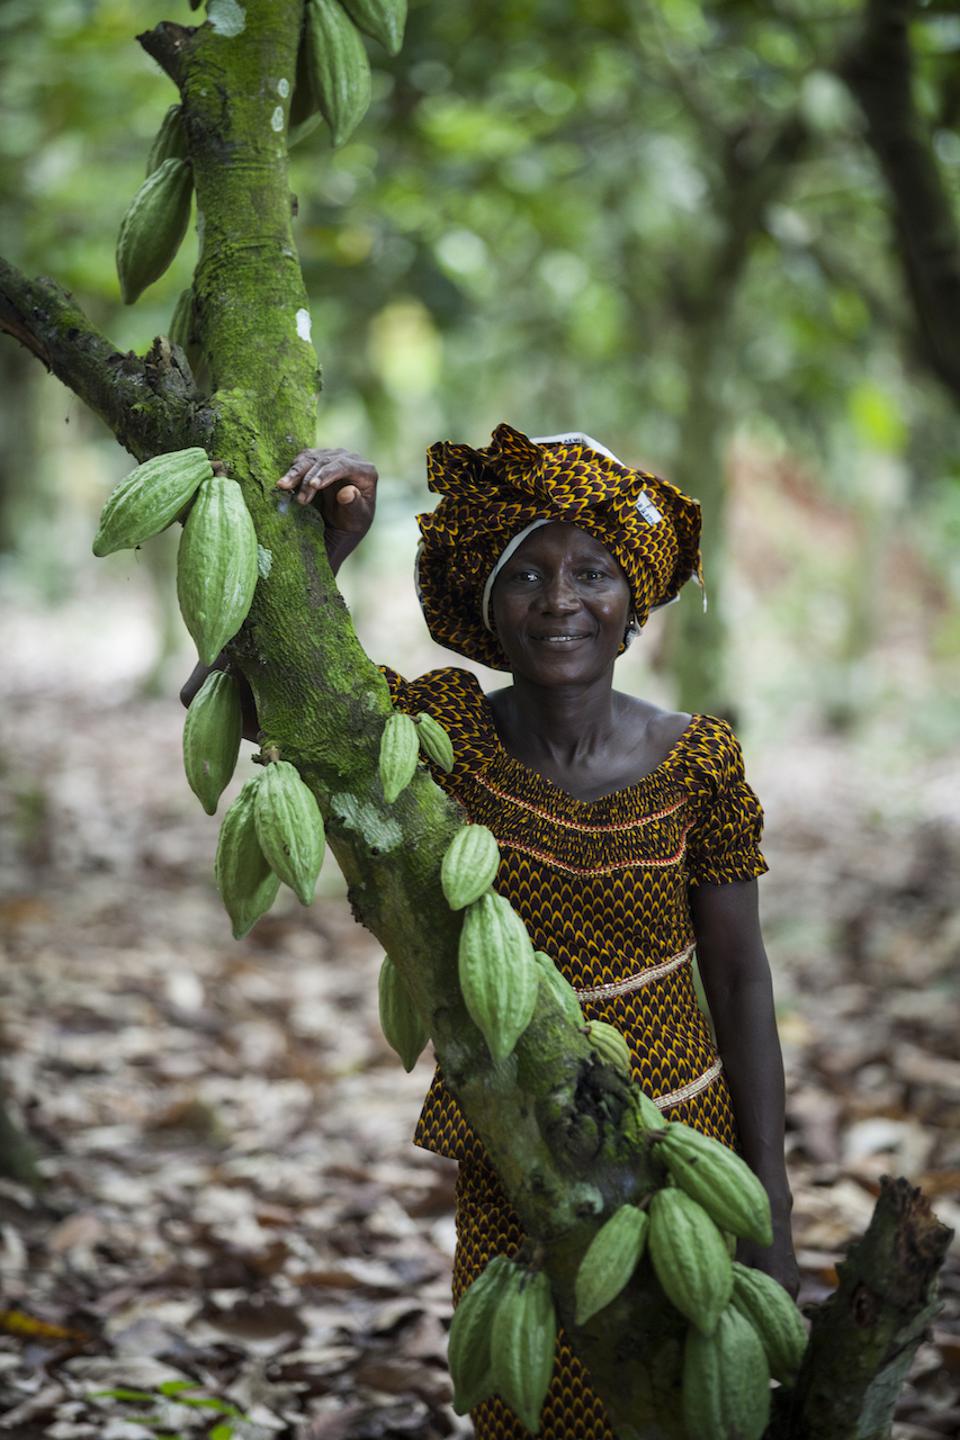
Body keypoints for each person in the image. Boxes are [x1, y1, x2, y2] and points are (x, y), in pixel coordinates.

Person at [190, 424, 797, 1440]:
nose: (560, 602)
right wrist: (323, 556)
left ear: (633, 606)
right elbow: (238, 698)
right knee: (535, 1394)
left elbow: (741, 983)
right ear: (487, 606)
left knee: (690, 1392)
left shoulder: (701, 762)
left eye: (593, 572)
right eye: (526, 576)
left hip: (683, 1141)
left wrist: (771, 1200)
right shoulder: (445, 731)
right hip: (514, 1134)